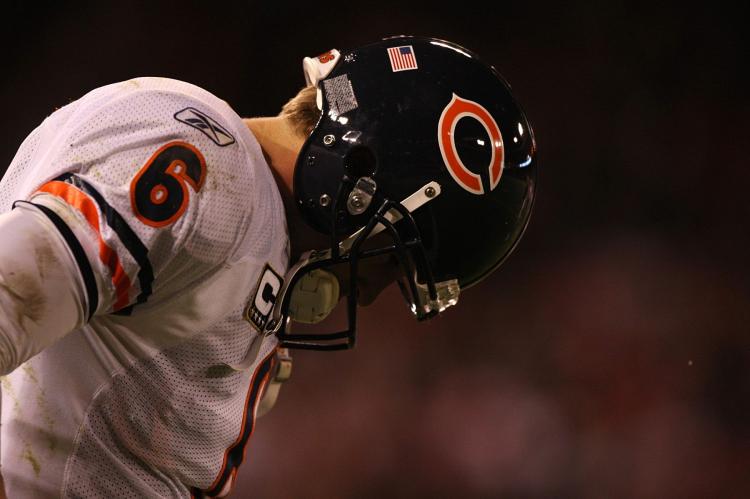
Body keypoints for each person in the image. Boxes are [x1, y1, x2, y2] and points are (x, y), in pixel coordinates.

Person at [0, 36, 536, 497]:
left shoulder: (256, 227)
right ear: (359, 173)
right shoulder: (210, 171)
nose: (371, 292)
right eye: (394, 257)